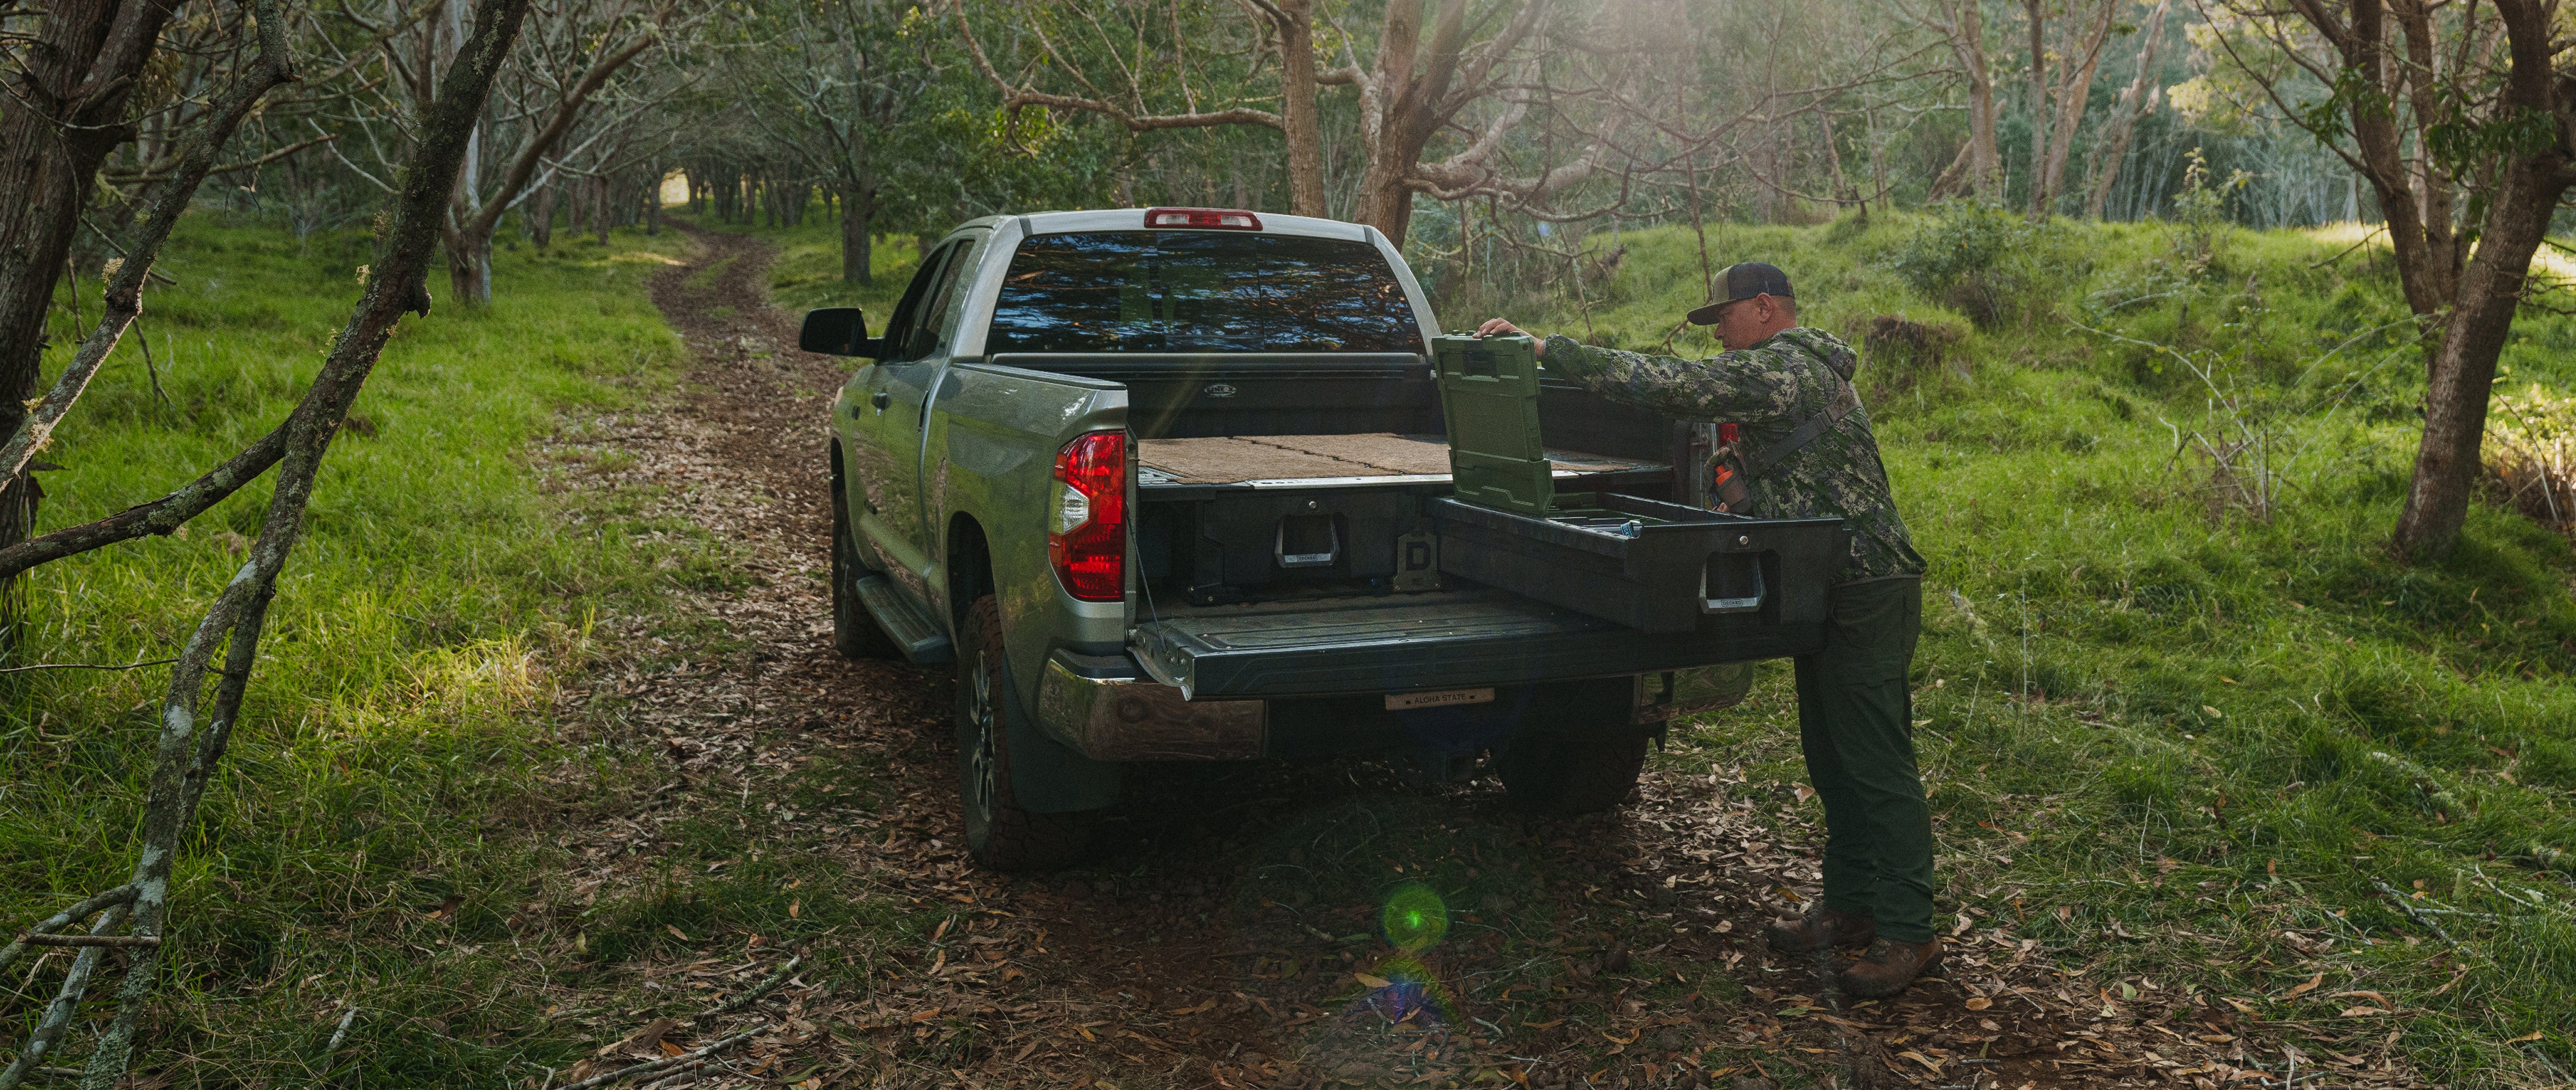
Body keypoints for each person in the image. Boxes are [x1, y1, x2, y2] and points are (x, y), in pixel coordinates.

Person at [1475, 261, 1938, 997]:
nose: (1718, 334)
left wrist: (1547, 351)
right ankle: (1851, 907)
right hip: (1828, 584)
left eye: (1723, 318)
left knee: (1875, 764)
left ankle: (1910, 930)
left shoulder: (1785, 369)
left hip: (1868, 588)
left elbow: (1673, 388)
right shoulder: (1782, 374)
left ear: (1764, 309)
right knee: (1833, 758)